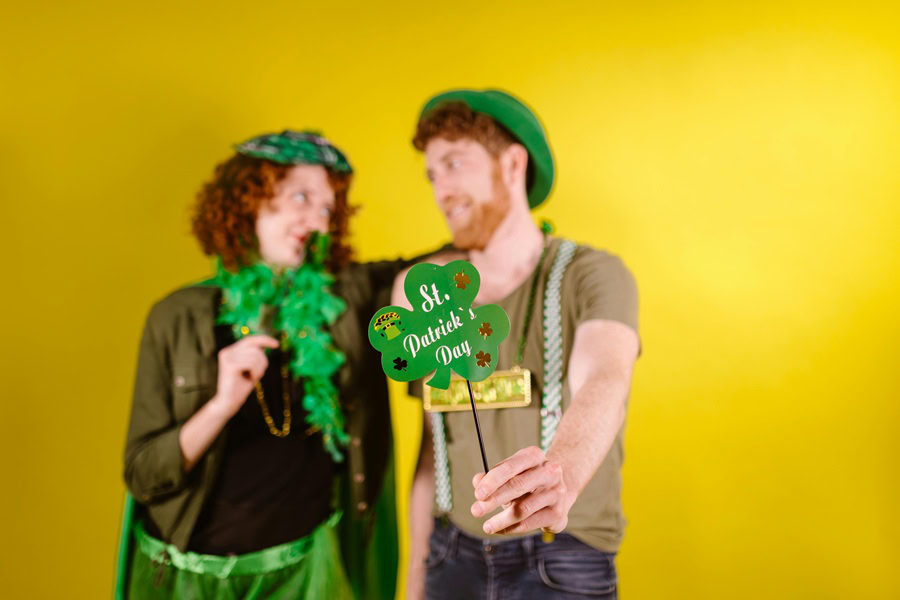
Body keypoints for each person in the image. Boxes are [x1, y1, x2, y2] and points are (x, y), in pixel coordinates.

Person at [121, 130, 403, 599]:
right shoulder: (177, 315)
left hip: (306, 576)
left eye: (327, 209)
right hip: (189, 580)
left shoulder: (345, 300)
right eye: (301, 196)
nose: (316, 219)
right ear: (248, 199)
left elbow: (434, 272)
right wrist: (221, 404)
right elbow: (143, 474)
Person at [401, 90, 640, 599]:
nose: (441, 188)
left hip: (562, 555)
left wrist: (562, 475)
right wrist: (416, 578)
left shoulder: (590, 275)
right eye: (432, 174)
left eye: (453, 163)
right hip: (451, 555)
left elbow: (606, 377)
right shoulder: (427, 295)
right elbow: (431, 445)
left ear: (511, 163)